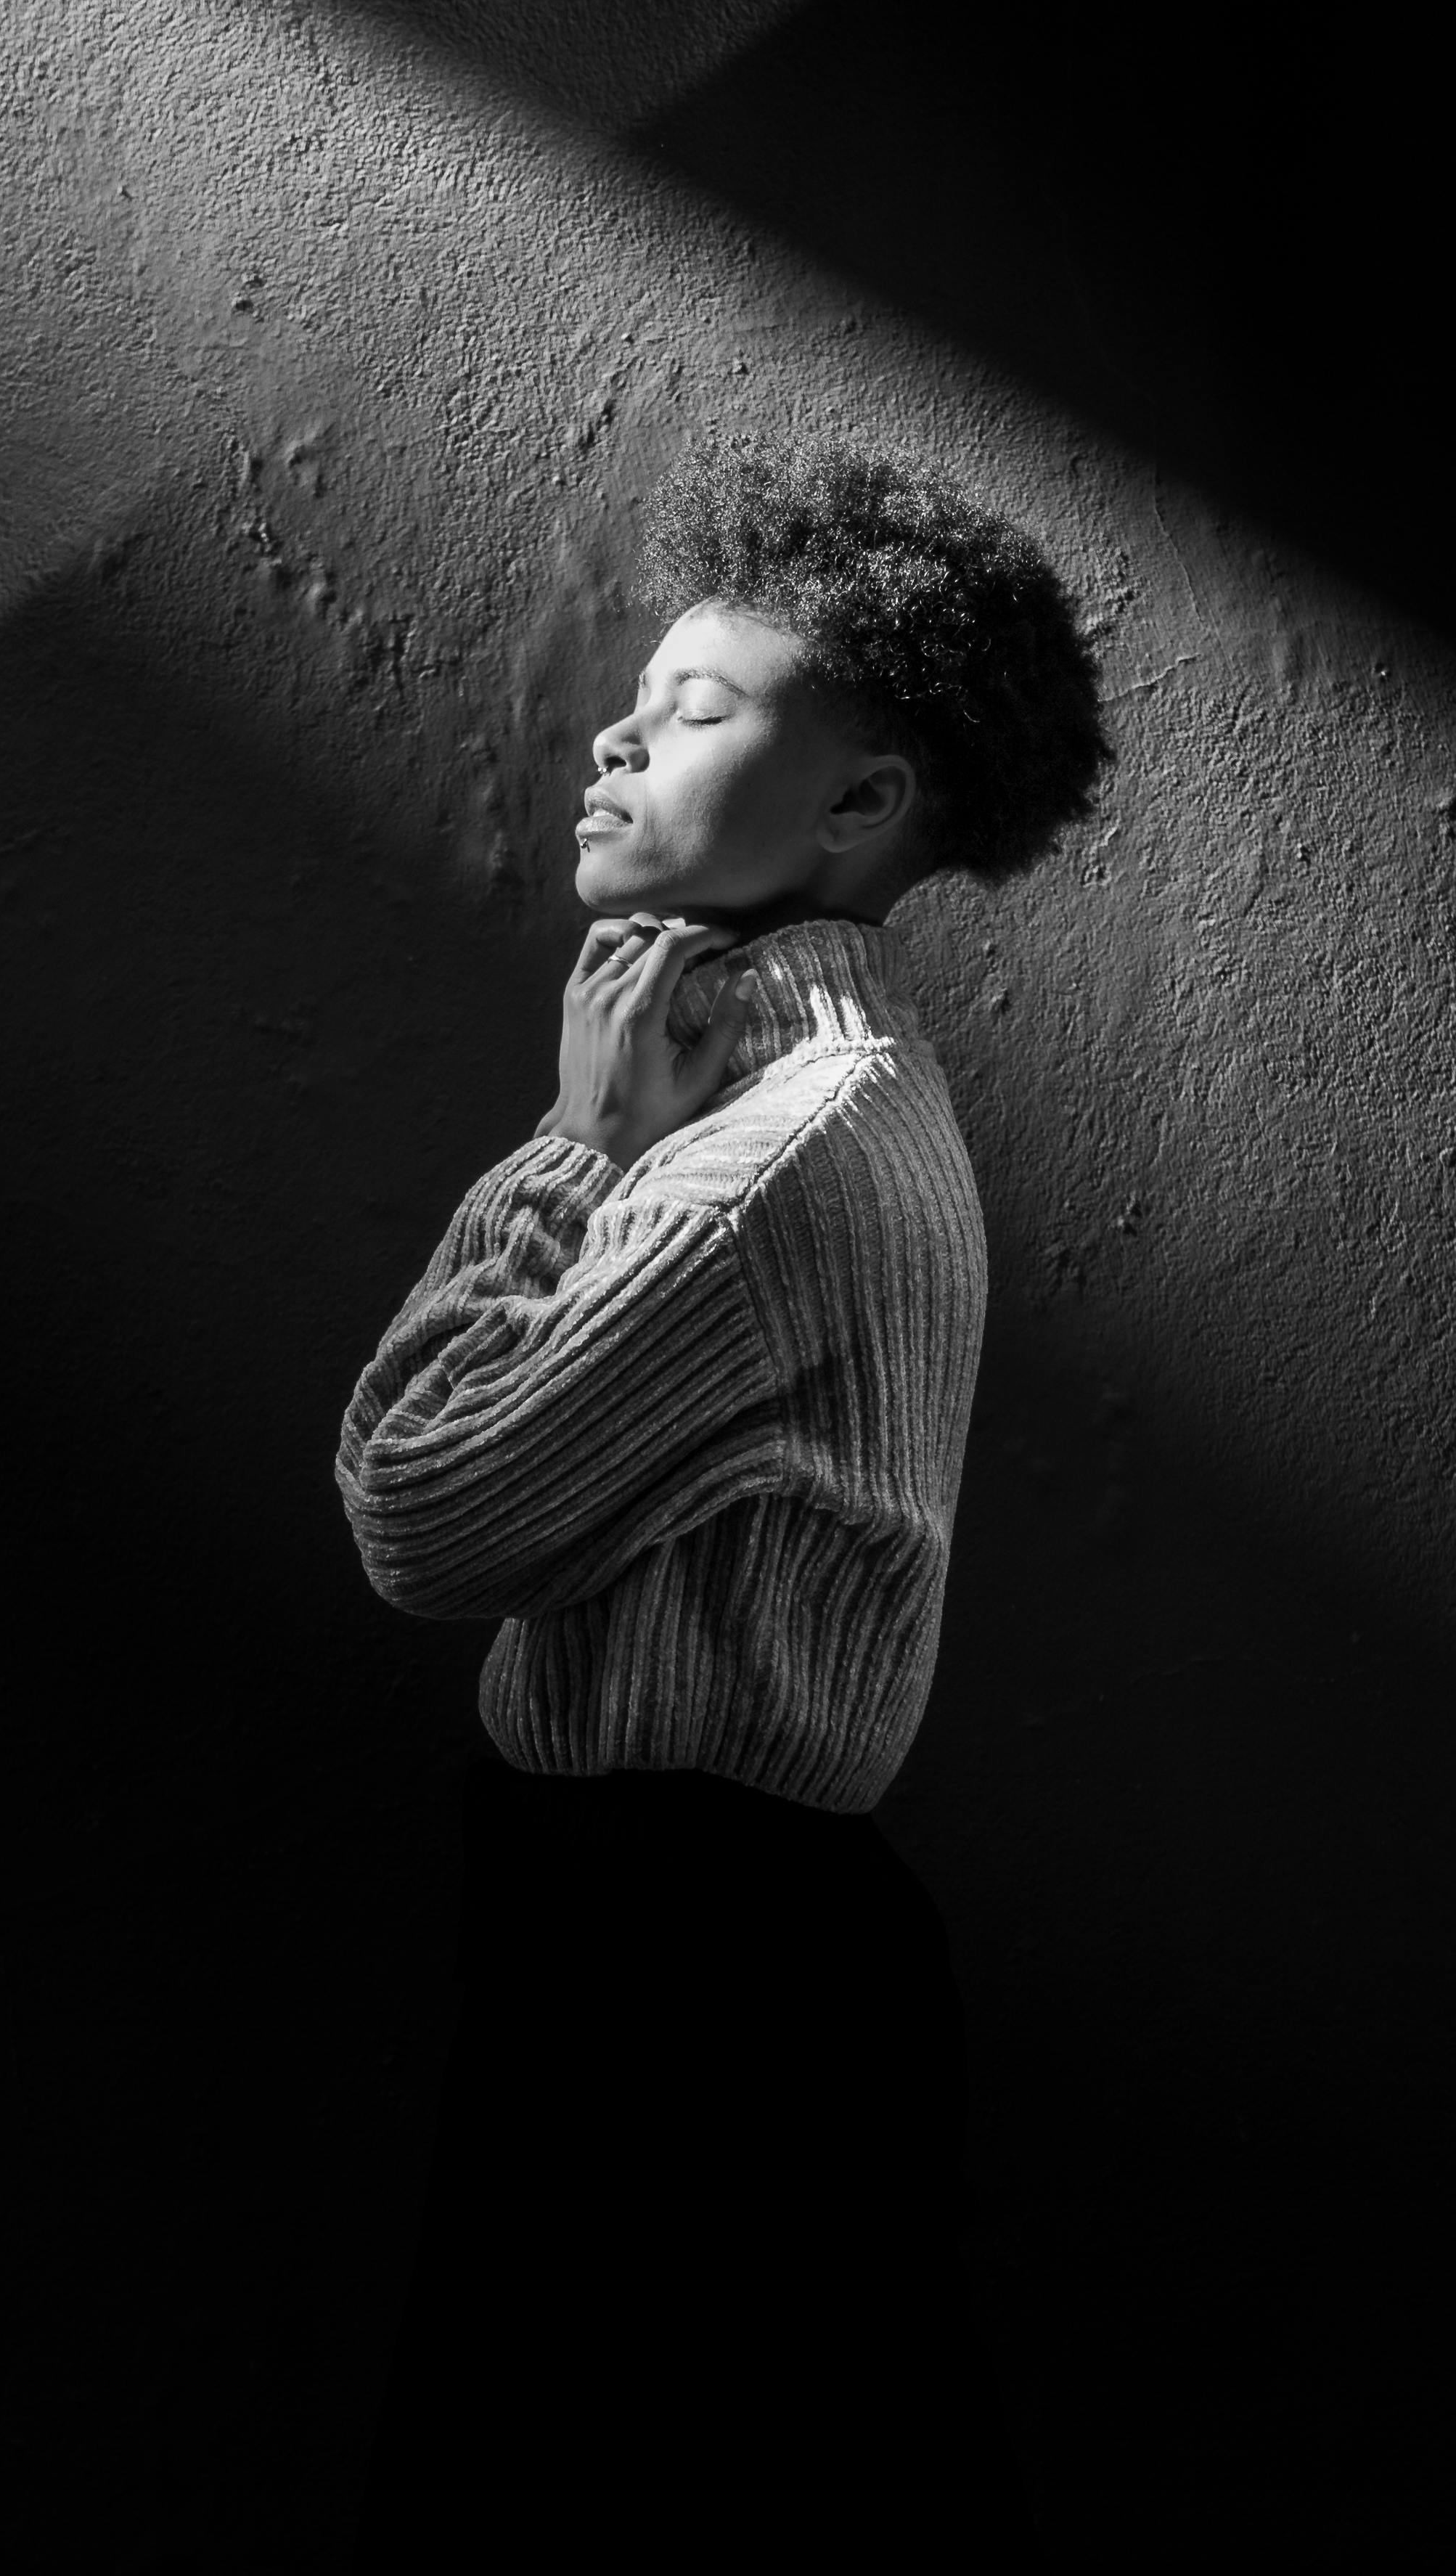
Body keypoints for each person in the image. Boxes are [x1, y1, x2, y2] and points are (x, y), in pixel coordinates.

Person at [338, 433, 1111, 2568]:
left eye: (697, 710)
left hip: (682, 1990)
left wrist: (574, 1150)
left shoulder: (771, 1152)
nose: (617, 729)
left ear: (864, 804)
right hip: (677, 1957)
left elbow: (425, 1520)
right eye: (640, 695)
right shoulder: (784, 1097)